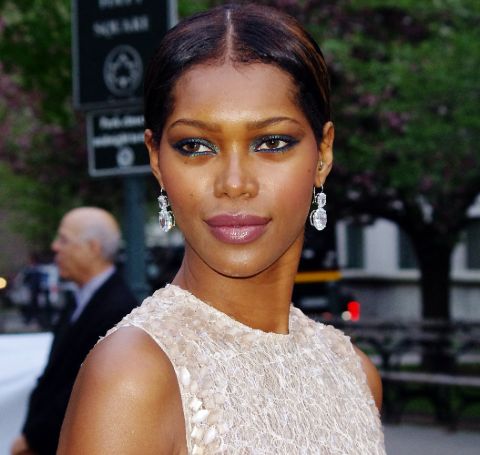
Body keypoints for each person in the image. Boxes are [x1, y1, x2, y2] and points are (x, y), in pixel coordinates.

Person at [58, 4, 386, 454]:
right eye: (196, 146)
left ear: (323, 154)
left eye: (272, 143)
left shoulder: (355, 374)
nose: (234, 183)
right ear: (157, 160)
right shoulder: (134, 377)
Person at [11, 207, 138, 455]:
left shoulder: (118, 309)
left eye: (64, 239)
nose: (55, 247)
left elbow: (85, 392)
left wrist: (33, 439)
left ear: (93, 248)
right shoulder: (79, 299)